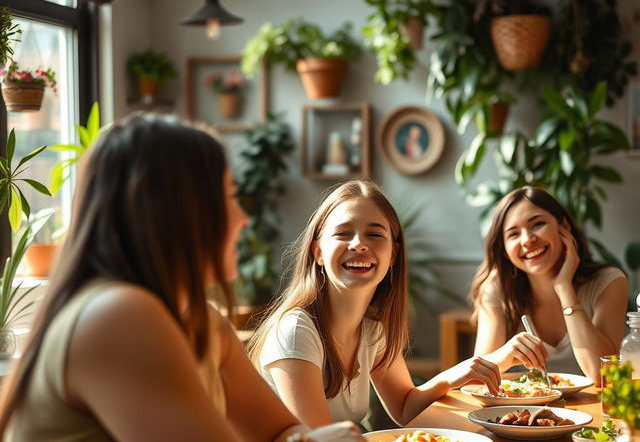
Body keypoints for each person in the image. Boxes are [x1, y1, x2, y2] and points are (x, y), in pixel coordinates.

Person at [0, 115, 381, 442]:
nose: (242, 217)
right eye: (228, 196)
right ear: (177, 211)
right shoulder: (117, 317)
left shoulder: (200, 322)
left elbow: (277, 434)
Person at [248, 180, 500, 429]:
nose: (358, 243)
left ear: (392, 255)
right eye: (343, 233)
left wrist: (456, 374)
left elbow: (404, 407)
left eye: (375, 234)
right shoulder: (295, 331)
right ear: (318, 252)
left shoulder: (371, 329)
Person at [470, 186, 628, 385]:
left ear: (564, 227)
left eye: (537, 224)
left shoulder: (608, 282)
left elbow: (602, 375)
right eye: (513, 234)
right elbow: (477, 377)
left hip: (595, 412)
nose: (527, 240)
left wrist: (564, 288)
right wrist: (507, 354)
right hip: (523, 412)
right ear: (504, 249)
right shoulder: (497, 289)